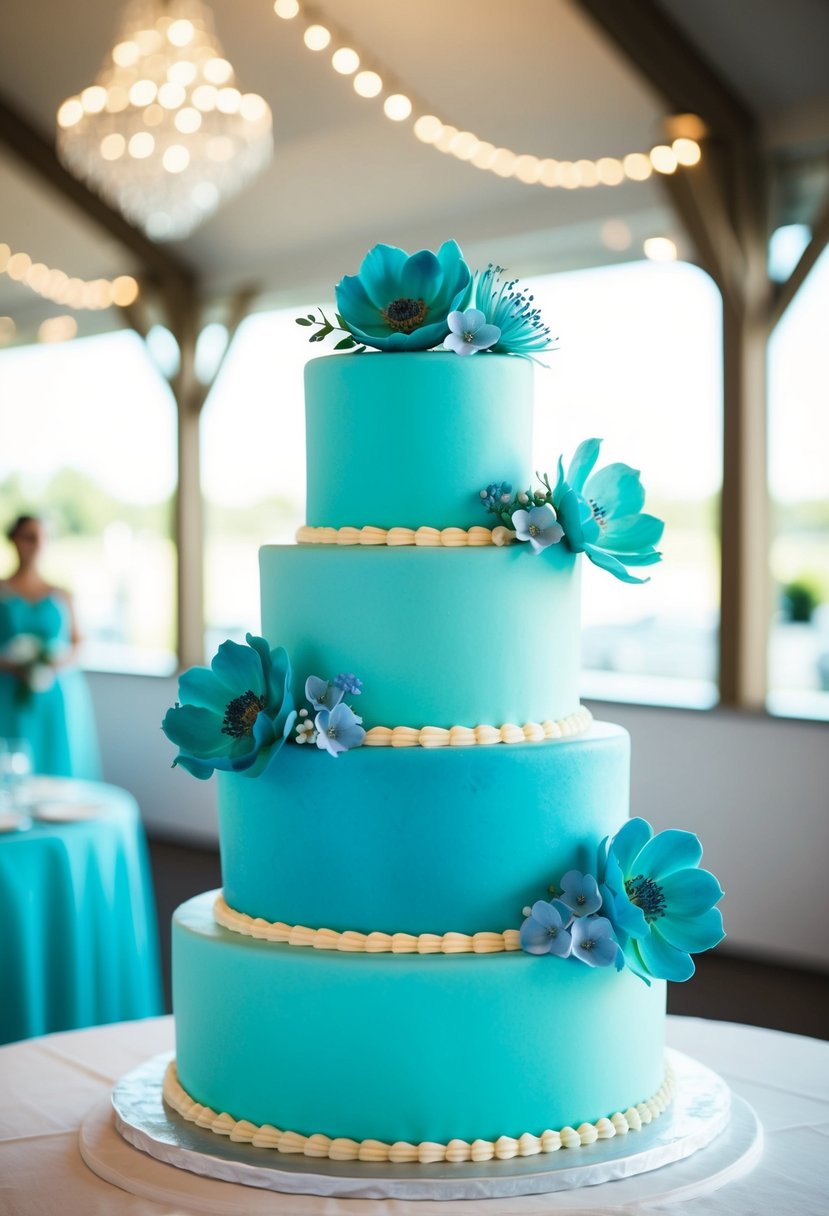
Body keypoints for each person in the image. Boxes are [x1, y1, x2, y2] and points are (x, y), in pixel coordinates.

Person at [0, 514, 100, 779]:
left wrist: (57, 662)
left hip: (56, 692)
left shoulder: (61, 593)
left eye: (42, 538)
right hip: (9, 692)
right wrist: (12, 664)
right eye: (29, 537)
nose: (35, 545)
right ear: (13, 540)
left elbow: (79, 642)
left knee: (57, 760)